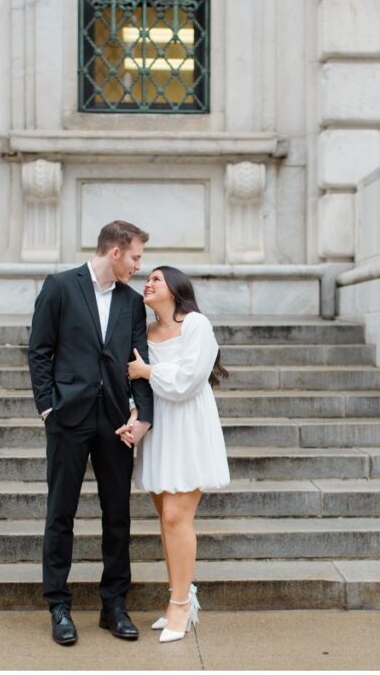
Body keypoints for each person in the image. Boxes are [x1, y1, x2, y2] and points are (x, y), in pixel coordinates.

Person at [27, 220, 154, 645]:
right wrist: (48, 407)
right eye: (136, 256)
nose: (139, 265)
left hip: (116, 421)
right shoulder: (61, 287)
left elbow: (139, 363)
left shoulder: (132, 302)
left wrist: (142, 416)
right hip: (68, 416)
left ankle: (113, 605)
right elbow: (40, 350)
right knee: (60, 513)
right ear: (115, 252)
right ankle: (58, 606)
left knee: (117, 514)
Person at [124, 265, 230, 643]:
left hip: (188, 427)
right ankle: (180, 596)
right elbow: (138, 386)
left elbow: (186, 381)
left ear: (175, 288)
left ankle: (181, 606)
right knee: (164, 518)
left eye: (155, 279)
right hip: (159, 430)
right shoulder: (145, 331)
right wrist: (135, 416)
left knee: (175, 516)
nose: (147, 284)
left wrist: (146, 371)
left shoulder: (196, 325)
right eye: (146, 279)